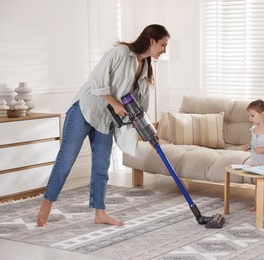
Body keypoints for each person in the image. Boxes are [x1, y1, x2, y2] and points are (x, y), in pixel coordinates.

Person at [36, 24, 170, 227]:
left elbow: (140, 109)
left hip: (106, 120)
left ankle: (100, 213)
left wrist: (150, 134)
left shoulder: (145, 70)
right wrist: (115, 103)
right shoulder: (121, 52)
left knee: (101, 167)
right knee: (66, 161)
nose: (164, 51)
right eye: (163, 45)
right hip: (85, 110)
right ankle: (47, 203)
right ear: (152, 40)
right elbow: (96, 79)